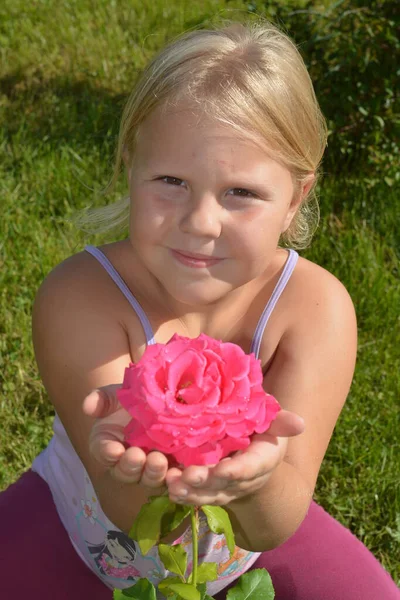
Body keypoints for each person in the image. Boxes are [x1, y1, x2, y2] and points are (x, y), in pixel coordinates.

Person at [0, 19, 398, 600]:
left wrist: (257, 482)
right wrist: (125, 455)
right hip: (81, 528)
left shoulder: (313, 309)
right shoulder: (82, 294)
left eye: (241, 192)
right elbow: (123, 505)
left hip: (250, 546)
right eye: (170, 180)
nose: (200, 222)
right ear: (130, 166)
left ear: (296, 198)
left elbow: (275, 522)